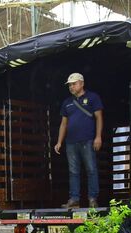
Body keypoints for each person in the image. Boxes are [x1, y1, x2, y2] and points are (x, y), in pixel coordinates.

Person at [54, 72, 104, 208]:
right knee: (73, 171)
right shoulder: (67, 103)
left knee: (91, 169)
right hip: (71, 142)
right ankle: (74, 199)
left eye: (74, 84)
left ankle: (92, 199)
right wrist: (59, 142)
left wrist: (98, 137)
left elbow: (99, 117)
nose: (71, 87)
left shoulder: (93, 98)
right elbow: (63, 123)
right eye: (70, 85)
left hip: (87, 139)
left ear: (82, 83)